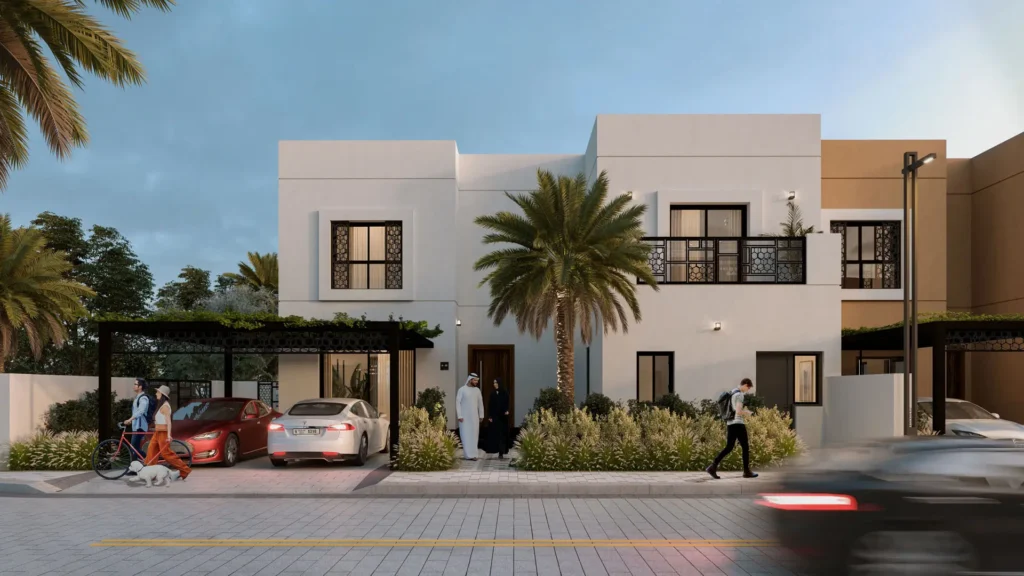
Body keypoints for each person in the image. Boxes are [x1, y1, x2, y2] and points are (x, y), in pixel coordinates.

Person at [706, 378, 758, 480]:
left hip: (730, 423)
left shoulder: (733, 392)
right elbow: (738, 411)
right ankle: (746, 471)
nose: (747, 391)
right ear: (745, 385)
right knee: (745, 447)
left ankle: (713, 466)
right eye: (748, 388)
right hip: (738, 423)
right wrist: (747, 412)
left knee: (729, 447)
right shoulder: (739, 395)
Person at [144, 385, 191, 480]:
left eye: (158, 392)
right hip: (157, 432)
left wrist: (169, 435)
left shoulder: (165, 406)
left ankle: (185, 470)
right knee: (151, 450)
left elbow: (169, 422)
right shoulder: (161, 405)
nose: (156, 394)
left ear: (162, 394)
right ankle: (150, 473)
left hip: (163, 433)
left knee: (166, 454)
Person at [456, 372, 484, 461]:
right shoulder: (462, 390)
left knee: (474, 435)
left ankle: (474, 454)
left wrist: (481, 415)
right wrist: (459, 415)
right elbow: (458, 403)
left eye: (477, 380)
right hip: (464, 418)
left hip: (474, 417)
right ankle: (468, 455)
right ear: (470, 380)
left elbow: (480, 403)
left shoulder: (477, 390)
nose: (476, 382)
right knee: (465, 436)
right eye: (475, 380)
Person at [123, 378, 150, 468]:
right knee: (135, 448)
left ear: (140, 387)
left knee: (134, 448)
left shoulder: (143, 398)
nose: (134, 386)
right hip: (136, 426)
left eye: (135, 384)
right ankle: (143, 464)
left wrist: (130, 419)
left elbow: (141, 411)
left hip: (140, 426)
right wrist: (131, 421)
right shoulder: (137, 398)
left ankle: (149, 461)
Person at [484, 378, 510, 460]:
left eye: (496, 383)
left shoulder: (505, 393)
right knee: (495, 434)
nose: (494, 384)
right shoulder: (492, 394)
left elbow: (507, 403)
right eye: (494, 383)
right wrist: (490, 416)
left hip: (502, 417)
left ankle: (501, 452)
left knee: (502, 435)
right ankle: (495, 450)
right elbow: (490, 405)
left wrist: (507, 410)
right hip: (495, 417)